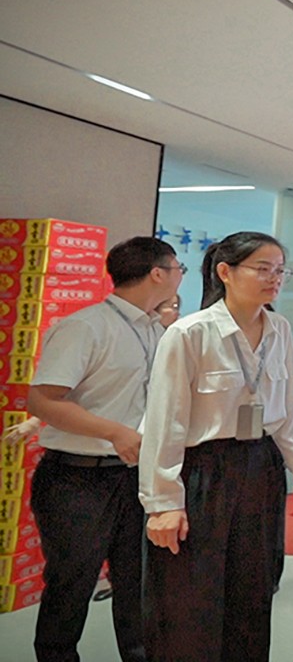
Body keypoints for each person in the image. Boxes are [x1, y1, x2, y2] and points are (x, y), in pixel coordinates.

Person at [139, 232, 293, 662]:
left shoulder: (279, 329)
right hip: (204, 468)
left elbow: (286, 404)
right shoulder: (190, 333)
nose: (274, 278)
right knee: (191, 591)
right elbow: (165, 421)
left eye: (280, 270)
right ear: (225, 272)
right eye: (263, 269)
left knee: (253, 587)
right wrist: (162, 503)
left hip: (261, 465)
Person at [26, 236, 183, 662]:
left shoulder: (157, 330)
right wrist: (114, 432)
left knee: (138, 583)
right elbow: (42, 401)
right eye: (177, 268)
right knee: (71, 583)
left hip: (135, 476)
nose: (179, 276)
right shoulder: (87, 327)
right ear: (158, 273)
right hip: (78, 478)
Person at [4, 296, 184, 450]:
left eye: (177, 306)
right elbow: (54, 396)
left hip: (139, 455)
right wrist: (35, 421)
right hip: (90, 454)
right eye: (171, 306)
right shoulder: (91, 327)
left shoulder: (165, 337)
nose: (176, 312)